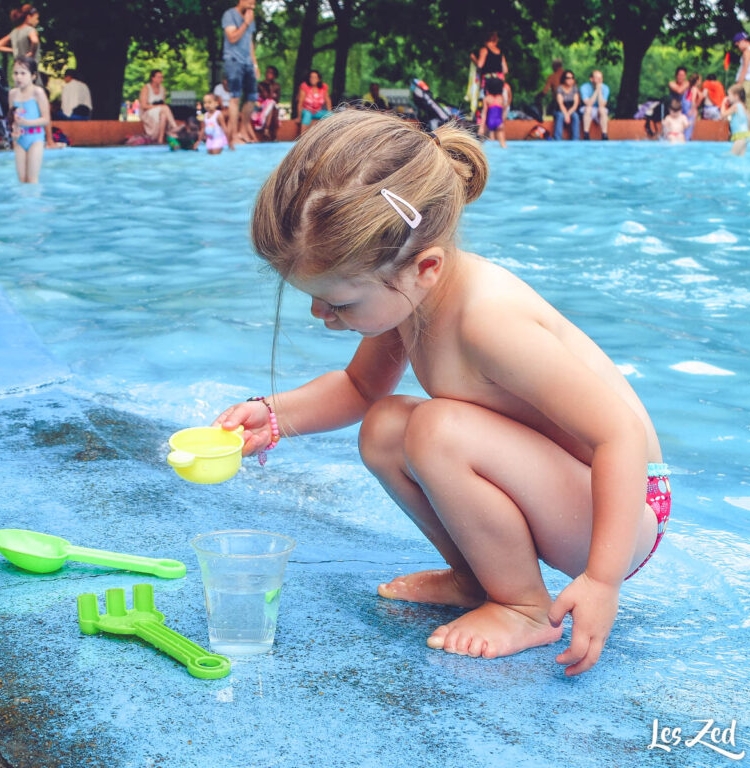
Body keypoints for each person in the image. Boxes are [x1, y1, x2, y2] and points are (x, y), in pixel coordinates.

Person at [214, 110, 668, 677]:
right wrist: (274, 416)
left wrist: (601, 582)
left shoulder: (487, 322)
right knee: (383, 428)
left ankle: (526, 608)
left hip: (627, 509)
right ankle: (479, 579)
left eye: (340, 302)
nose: (320, 313)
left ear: (424, 267)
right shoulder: (413, 294)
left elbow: (618, 434)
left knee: (435, 430)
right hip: (573, 494)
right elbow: (359, 388)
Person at [222, 0, 261, 146]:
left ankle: (243, 132)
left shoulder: (251, 17)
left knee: (252, 97)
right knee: (235, 98)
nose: (253, 5)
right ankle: (231, 137)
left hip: (248, 63)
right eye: (250, 2)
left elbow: (249, 41)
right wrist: (245, 23)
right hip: (233, 61)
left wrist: (255, 64)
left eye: (254, 3)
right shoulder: (229, 15)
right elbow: (232, 38)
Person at [9, 55, 48, 183]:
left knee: (32, 179)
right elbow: (12, 117)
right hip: (19, 139)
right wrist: (14, 130)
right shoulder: (13, 94)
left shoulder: (38, 93)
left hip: (35, 138)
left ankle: (34, 202)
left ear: (33, 76)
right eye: (16, 73)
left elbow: (46, 119)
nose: (18, 77)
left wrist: (27, 123)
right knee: (22, 179)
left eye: (23, 73)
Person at [0, 5, 41, 85]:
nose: (37, 21)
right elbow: (35, 41)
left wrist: (13, 50)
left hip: (18, 71)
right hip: (30, 70)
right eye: (36, 18)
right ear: (28, 17)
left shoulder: (14, 32)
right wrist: (32, 53)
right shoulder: (30, 30)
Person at [139, 69, 178, 144]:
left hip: (159, 111)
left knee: (163, 115)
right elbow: (143, 106)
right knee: (165, 108)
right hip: (147, 112)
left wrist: (160, 107)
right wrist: (158, 106)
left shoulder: (163, 89)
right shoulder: (146, 88)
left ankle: (160, 139)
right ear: (153, 78)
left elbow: (162, 103)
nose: (161, 79)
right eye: (159, 77)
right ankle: (174, 127)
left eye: (162, 77)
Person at [579, 69, 609, 140]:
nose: (600, 80)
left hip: (599, 109)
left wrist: (599, 91)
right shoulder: (584, 87)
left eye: (601, 78)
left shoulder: (605, 88)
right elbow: (588, 103)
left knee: (602, 110)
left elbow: (602, 105)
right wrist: (596, 91)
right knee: (588, 109)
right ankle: (586, 134)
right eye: (597, 78)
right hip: (587, 109)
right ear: (591, 79)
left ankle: (604, 134)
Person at [298, 69, 332, 134]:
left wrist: (329, 111)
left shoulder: (323, 87)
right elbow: (300, 103)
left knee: (330, 115)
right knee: (307, 115)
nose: (313, 79)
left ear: (318, 79)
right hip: (306, 110)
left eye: (315, 77)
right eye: (311, 77)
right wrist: (299, 117)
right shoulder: (304, 86)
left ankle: (330, 136)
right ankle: (302, 138)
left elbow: (328, 101)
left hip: (318, 111)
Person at [722, 83, 750, 155]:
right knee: (740, 157)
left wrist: (723, 103)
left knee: (731, 155)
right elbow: (748, 120)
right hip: (745, 136)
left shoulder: (735, 106)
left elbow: (722, 115)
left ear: (736, 96)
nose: (728, 97)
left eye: (729, 95)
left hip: (740, 137)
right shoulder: (743, 106)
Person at [732, 32, 750, 118]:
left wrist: (739, 84)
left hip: (745, 81)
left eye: (738, 44)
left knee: (744, 105)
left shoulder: (747, 52)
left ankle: (747, 128)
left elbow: (744, 69)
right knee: (748, 105)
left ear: (743, 41)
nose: (738, 47)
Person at [553, 69, 580, 140]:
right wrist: (566, 114)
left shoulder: (575, 89)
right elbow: (560, 104)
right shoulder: (559, 88)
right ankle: (557, 139)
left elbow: (575, 104)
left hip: (571, 110)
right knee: (560, 116)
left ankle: (576, 139)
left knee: (575, 116)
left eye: (572, 78)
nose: (570, 80)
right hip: (560, 110)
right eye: (568, 78)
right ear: (564, 79)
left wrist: (568, 114)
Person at [482, 77, 506, 148]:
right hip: (499, 122)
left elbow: (484, 114)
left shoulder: (487, 99)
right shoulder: (501, 98)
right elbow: (503, 112)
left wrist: (481, 127)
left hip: (489, 122)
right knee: (503, 145)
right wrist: (502, 122)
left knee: (480, 142)